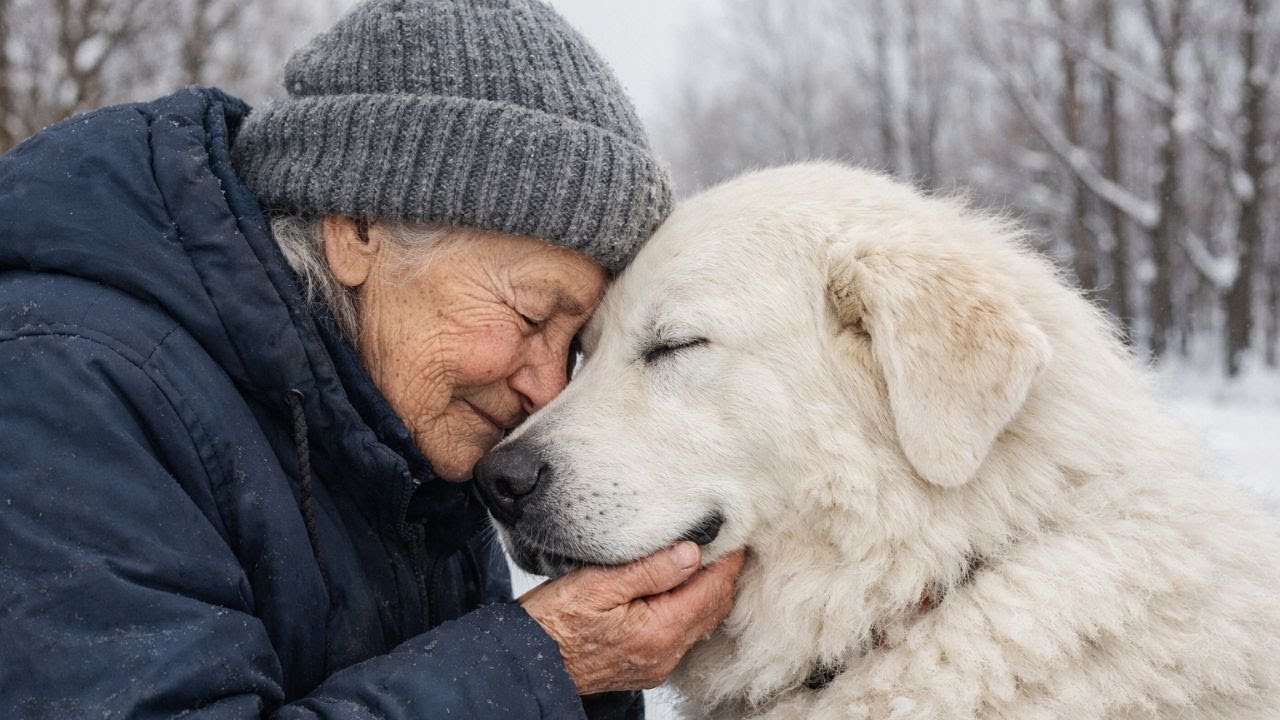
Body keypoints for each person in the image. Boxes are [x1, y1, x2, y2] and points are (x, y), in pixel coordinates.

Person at [0, 0, 743, 717]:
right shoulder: (64, 396)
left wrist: (590, 678)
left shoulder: (406, 440)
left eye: (572, 346)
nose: (547, 387)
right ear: (356, 227)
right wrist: (545, 664)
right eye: (529, 314)